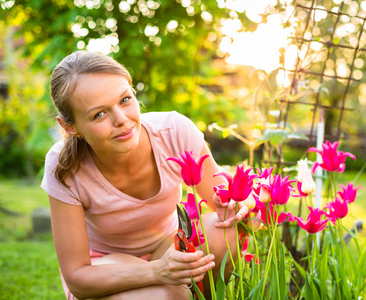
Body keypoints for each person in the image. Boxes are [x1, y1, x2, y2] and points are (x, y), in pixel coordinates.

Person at [41, 51, 248, 300]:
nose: (122, 120)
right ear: (70, 127)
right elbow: (77, 277)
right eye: (99, 114)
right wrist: (158, 271)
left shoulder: (174, 132)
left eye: (125, 99)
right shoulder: (64, 166)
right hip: (106, 267)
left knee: (223, 230)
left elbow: (230, 200)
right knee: (162, 295)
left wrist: (240, 205)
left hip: (170, 244)